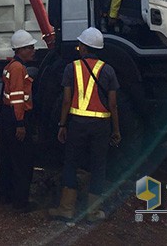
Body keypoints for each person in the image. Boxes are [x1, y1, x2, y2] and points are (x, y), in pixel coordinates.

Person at [48, 27, 121, 223]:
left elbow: (66, 100)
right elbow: (113, 104)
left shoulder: (71, 68)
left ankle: (67, 209)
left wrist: (62, 125)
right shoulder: (108, 70)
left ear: (83, 47)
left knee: (71, 164)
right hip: (102, 126)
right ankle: (93, 212)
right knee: (98, 166)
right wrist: (116, 130)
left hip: (77, 124)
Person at [0, 29, 37, 212]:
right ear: (20, 50)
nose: (33, 50)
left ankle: (5, 195)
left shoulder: (11, 66)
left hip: (8, 116)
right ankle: (20, 202)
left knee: (8, 158)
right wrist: (20, 124)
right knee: (22, 162)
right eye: (29, 47)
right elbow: (18, 98)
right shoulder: (18, 68)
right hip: (16, 118)